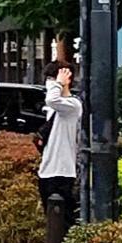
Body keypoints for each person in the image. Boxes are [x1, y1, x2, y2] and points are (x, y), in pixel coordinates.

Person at [37, 60, 82, 223]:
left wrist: (60, 83)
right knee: (51, 221)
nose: (50, 83)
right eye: (48, 79)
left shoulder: (72, 105)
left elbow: (52, 100)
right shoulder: (56, 108)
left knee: (64, 221)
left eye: (53, 78)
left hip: (63, 172)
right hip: (47, 170)